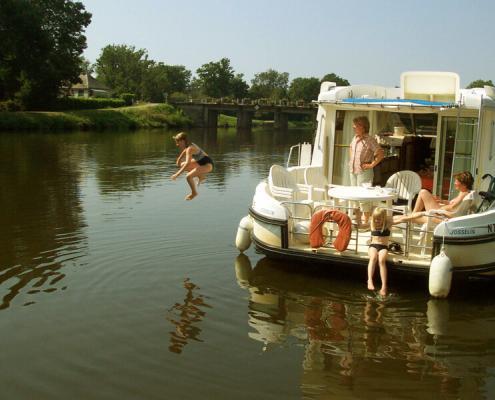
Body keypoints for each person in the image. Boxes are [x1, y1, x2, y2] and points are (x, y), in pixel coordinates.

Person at [396, 171, 474, 225]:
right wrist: (442, 201)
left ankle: (413, 214)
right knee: (423, 194)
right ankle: (413, 215)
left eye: (457, 181)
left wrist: (440, 208)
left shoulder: (464, 194)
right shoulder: (464, 192)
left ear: (464, 184)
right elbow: (452, 204)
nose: (454, 183)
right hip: (441, 211)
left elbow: (452, 207)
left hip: (440, 214)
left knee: (423, 192)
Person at [349, 116, 384, 226]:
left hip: (364, 172)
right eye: (354, 125)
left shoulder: (369, 140)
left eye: (356, 125)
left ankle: (365, 223)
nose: (353, 127)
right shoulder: (354, 138)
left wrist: (371, 165)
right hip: (353, 171)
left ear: (363, 127)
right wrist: (351, 161)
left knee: (364, 198)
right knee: (355, 196)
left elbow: (380, 153)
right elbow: (350, 148)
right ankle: (358, 221)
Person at [171, 132, 214, 200]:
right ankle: (201, 176)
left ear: (182, 141)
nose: (177, 144)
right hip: (202, 162)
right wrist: (179, 158)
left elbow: (187, 163)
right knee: (182, 164)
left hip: (208, 165)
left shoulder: (190, 149)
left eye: (177, 142)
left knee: (188, 176)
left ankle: (194, 193)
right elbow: (185, 151)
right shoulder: (190, 145)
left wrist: (177, 174)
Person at [367, 207, 393, 296]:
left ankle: (384, 286)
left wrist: (421, 213)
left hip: (383, 247)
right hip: (373, 245)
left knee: (381, 260)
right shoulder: (372, 223)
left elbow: (404, 218)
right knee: (373, 257)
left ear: (384, 218)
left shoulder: (388, 224)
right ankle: (370, 280)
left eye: (379, 219)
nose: (377, 221)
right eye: (375, 219)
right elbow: (361, 224)